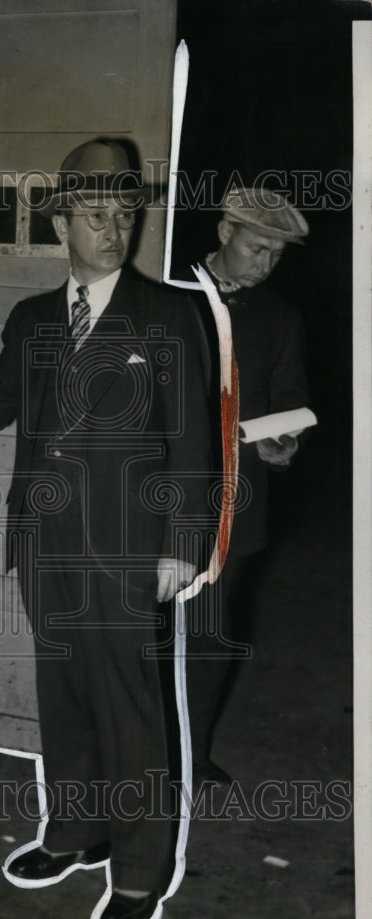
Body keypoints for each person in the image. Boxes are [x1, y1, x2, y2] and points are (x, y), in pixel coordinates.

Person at [0, 138, 211, 919]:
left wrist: (181, 543)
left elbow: (192, 438)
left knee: (128, 707)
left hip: (127, 548)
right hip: (42, 540)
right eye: (95, 214)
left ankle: (140, 870)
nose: (112, 228)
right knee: (66, 697)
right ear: (62, 222)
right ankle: (76, 832)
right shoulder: (32, 319)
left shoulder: (166, 313)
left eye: (124, 213)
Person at [185, 187, 310, 787]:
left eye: (276, 257)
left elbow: (290, 398)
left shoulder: (280, 317)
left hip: (234, 505)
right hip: (153, 497)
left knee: (210, 633)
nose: (263, 265)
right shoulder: (167, 293)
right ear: (224, 232)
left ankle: (191, 753)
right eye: (257, 249)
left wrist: (281, 439)